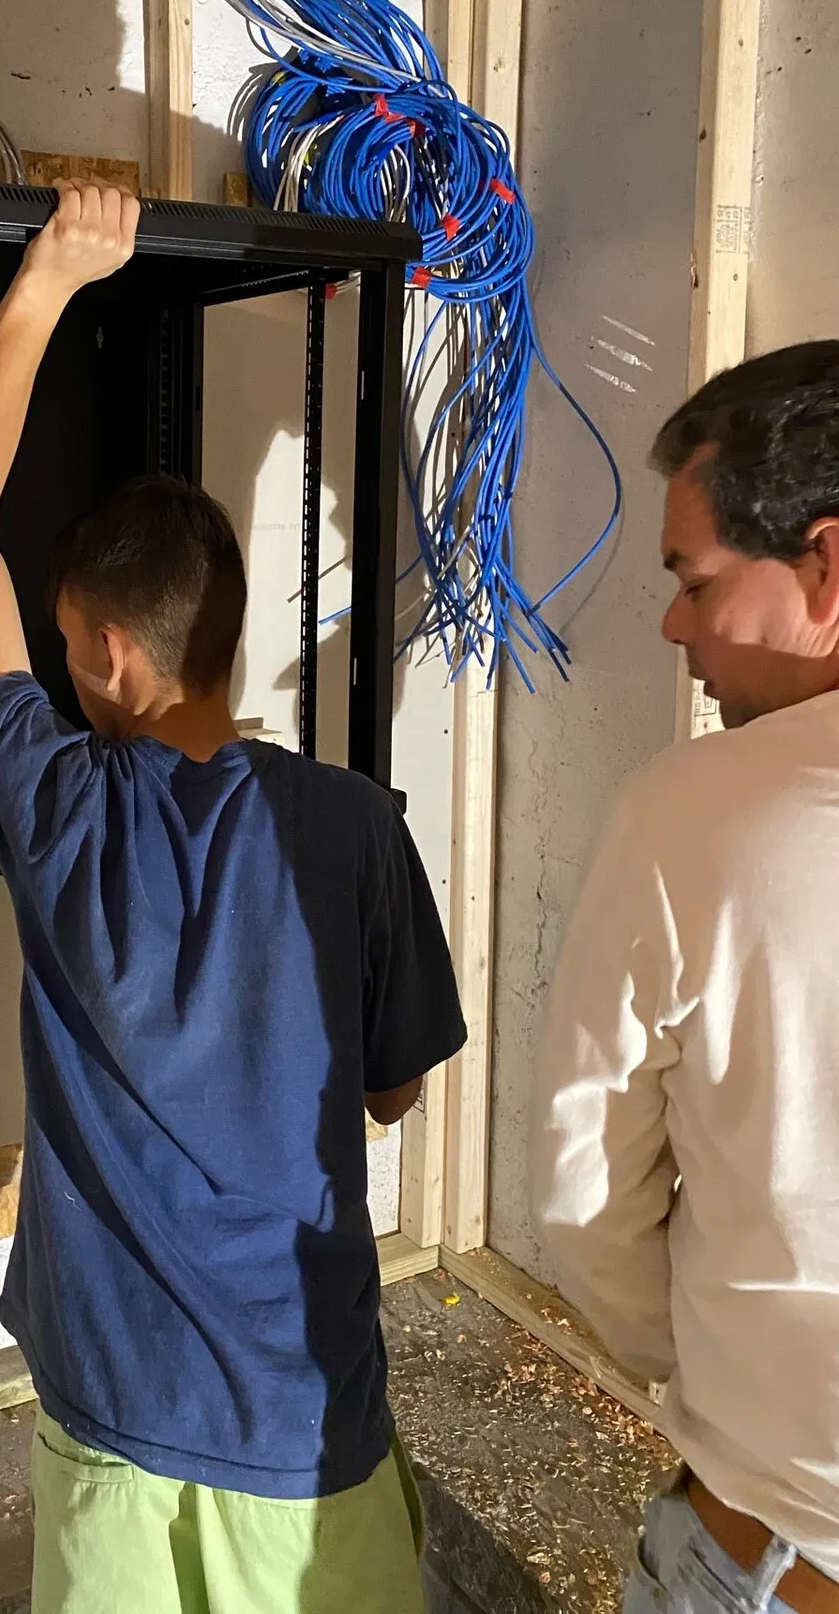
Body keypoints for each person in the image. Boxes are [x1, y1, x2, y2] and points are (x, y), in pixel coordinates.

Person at [0, 182, 465, 1614]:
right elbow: (396, 1093)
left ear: (101, 652)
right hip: (307, 1424)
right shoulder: (356, 825)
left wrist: (49, 281)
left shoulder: (58, 811)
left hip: (113, 1410)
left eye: (64, 643)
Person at [533, 341, 839, 1614]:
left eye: (694, 580)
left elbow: (585, 1197)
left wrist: (688, 1365)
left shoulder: (690, 816)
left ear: (826, 564)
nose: (672, 625)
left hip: (772, 1554)